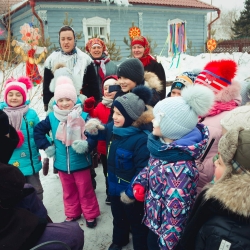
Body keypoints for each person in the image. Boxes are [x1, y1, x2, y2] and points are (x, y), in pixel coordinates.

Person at [132, 84, 214, 250]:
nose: (153, 121)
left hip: (165, 235)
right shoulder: (163, 149)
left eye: (159, 118)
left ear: (174, 128)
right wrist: (141, 181)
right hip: (154, 221)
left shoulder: (180, 169)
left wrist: (167, 245)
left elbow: (176, 214)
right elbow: (151, 166)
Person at [0, 110, 84, 250]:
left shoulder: (31, 114)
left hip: (13, 216)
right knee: (73, 234)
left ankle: (45, 223)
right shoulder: (7, 175)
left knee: (30, 191)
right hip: (9, 234)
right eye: (5, 134)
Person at [85, 85, 154, 250]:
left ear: (131, 117)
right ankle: (119, 240)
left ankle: (140, 246)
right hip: (114, 187)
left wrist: (133, 191)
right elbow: (102, 132)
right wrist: (94, 128)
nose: (113, 117)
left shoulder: (141, 140)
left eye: (118, 114)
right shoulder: (113, 129)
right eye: (114, 112)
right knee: (118, 218)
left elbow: (143, 170)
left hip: (131, 192)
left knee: (137, 223)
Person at [34, 73, 100, 227]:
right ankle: (72, 213)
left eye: (68, 100)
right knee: (68, 191)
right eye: (61, 100)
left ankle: (90, 214)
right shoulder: (52, 117)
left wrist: (87, 145)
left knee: (85, 190)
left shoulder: (83, 116)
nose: (64, 103)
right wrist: (47, 146)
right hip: (62, 164)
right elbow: (38, 131)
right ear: (56, 101)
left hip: (81, 163)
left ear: (74, 100)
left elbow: (94, 133)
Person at [177, 127, 250, 250]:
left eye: (220, 162)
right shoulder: (218, 205)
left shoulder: (227, 234)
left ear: (236, 174)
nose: (214, 162)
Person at [194, 59, 242, 194]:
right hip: (188, 176)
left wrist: (204, 167)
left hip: (209, 180)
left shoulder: (230, 117)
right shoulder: (196, 110)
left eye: (202, 90)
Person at [0, 76, 43, 200]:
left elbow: (38, 131)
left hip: (30, 160)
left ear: (24, 97)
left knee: (36, 190)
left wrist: (47, 142)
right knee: (15, 191)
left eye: (18, 95)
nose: (14, 97)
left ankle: (38, 211)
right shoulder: (2, 115)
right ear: (6, 97)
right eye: (11, 94)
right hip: (10, 163)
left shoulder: (31, 113)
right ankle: (23, 214)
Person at [43, 25, 99, 112]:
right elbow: (47, 85)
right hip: (59, 104)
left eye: (69, 39)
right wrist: (47, 103)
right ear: (59, 40)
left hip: (81, 103)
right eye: (63, 39)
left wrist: (95, 102)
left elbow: (93, 84)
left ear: (74, 39)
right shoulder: (51, 60)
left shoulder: (85, 59)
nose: (66, 42)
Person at [84, 75, 119, 205]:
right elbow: (93, 120)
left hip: (118, 145)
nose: (108, 91)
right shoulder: (100, 106)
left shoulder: (121, 104)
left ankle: (118, 191)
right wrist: (89, 108)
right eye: (105, 88)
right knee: (107, 172)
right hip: (104, 147)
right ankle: (110, 192)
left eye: (112, 88)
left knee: (119, 170)